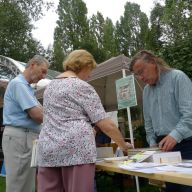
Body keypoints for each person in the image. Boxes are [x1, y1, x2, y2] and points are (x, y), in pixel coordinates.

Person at [37, 49, 132, 192]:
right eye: (90, 70)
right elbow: (106, 124)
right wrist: (123, 145)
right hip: (76, 150)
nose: (89, 76)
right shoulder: (81, 86)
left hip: (49, 149)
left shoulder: (49, 88)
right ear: (85, 65)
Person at [130, 50, 192, 192]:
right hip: (161, 147)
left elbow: (189, 113)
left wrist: (174, 136)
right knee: (171, 188)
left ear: (153, 62)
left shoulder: (178, 77)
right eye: (137, 75)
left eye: (141, 71)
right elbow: (148, 122)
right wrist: (152, 145)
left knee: (188, 188)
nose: (140, 77)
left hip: (187, 144)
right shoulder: (146, 90)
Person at [2, 55, 49, 192]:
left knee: (25, 184)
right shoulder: (19, 84)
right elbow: (37, 114)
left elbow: (41, 112)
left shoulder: (26, 87)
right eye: (43, 71)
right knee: (19, 184)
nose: (43, 76)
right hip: (21, 137)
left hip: (24, 137)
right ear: (33, 65)